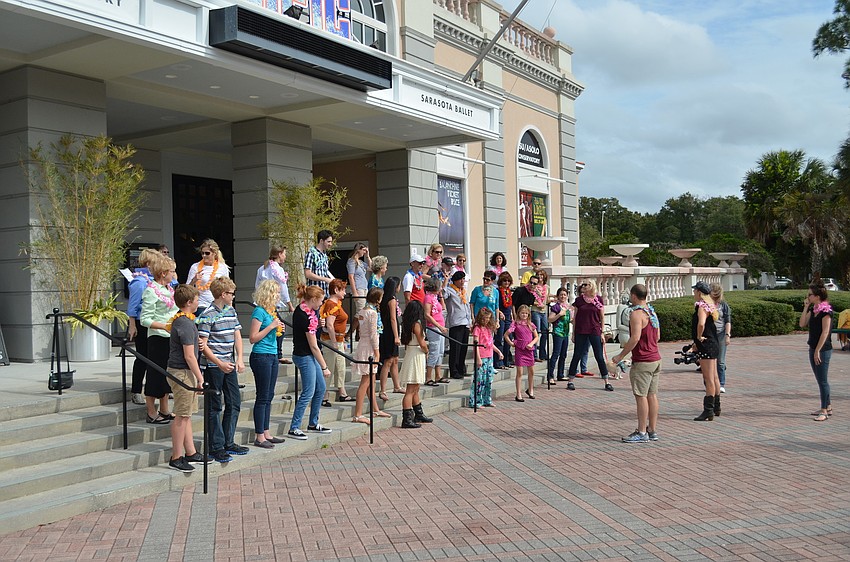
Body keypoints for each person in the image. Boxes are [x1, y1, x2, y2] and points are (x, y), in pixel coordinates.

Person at [197, 277, 247, 461]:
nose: (234, 297)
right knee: (215, 407)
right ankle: (216, 446)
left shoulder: (231, 311)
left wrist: (240, 359)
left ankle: (228, 441)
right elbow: (203, 345)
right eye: (232, 294)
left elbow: (237, 336)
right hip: (214, 366)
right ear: (223, 294)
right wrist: (219, 363)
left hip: (229, 363)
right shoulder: (207, 314)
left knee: (234, 402)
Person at [612, 284, 661, 443]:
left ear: (633, 296)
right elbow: (658, 335)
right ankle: (652, 430)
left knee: (641, 396)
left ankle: (641, 431)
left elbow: (635, 338)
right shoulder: (651, 311)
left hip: (643, 360)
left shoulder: (636, 314)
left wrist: (620, 356)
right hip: (655, 358)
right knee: (652, 395)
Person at [165, 284, 206, 472]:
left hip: (184, 371)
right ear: (189, 302)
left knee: (187, 414)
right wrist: (200, 377)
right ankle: (176, 456)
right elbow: (189, 355)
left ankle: (191, 451)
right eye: (197, 299)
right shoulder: (185, 323)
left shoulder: (185, 321)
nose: (199, 302)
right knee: (181, 415)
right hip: (181, 372)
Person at [288, 284, 333, 440]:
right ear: (313, 299)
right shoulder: (302, 314)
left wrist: (319, 325)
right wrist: (324, 367)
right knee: (308, 391)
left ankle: (313, 423)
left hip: (310, 354)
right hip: (304, 355)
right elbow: (313, 345)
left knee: (320, 388)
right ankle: (294, 427)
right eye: (320, 300)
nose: (321, 304)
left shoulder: (312, 312)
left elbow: (315, 334)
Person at [139, 253, 178, 424]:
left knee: (166, 373)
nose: (174, 275)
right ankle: (150, 411)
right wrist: (163, 326)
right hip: (157, 337)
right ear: (163, 273)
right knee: (155, 373)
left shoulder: (169, 290)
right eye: (172, 272)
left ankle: (164, 409)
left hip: (170, 336)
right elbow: (144, 319)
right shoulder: (151, 291)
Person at [249, 280, 286, 448]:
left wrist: (279, 329)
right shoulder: (259, 311)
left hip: (272, 355)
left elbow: (273, 332)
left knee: (269, 395)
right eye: (276, 293)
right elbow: (253, 338)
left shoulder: (272, 312)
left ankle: (266, 431)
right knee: (262, 396)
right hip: (261, 355)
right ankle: (259, 435)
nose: (278, 296)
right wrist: (271, 326)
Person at [351, 287, 392, 424]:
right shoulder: (372, 313)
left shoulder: (363, 311)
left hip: (363, 344)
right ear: (378, 299)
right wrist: (377, 352)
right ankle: (358, 414)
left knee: (371, 381)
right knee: (365, 382)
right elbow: (373, 334)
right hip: (369, 347)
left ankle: (375, 409)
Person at [566, 280, 612, 391]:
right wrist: (573, 333)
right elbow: (575, 317)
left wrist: (602, 332)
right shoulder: (579, 300)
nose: (584, 286)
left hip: (594, 330)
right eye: (583, 285)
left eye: (586, 284)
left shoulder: (598, 299)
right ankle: (570, 380)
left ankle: (606, 380)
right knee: (577, 354)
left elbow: (601, 317)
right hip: (581, 330)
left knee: (599, 356)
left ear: (592, 286)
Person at [127, 248, 159, 405]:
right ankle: (136, 390)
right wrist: (132, 325)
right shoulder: (139, 282)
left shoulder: (154, 279)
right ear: (148, 263)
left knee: (154, 357)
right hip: (141, 322)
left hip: (154, 321)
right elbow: (132, 307)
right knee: (142, 357)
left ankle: (155, 389)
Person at [255, 245, 294, 364]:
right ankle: (278, 353)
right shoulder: (277, 269)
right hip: (271, 302)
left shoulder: (262, 268)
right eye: (284, 254)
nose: (285, 256)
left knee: (275, 326)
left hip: (263, 301)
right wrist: (290, 304)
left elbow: (257, 285)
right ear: (279, 254)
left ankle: (276, 352)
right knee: (280, 327)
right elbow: (283, 288)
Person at [800, 281, 833, 422]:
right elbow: (802, 324)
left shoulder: (826, 312)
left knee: (823, 381)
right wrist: (806, 308)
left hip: (823, 349)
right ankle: (828, 406)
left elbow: (825, 332)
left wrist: (818, 351)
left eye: (810, 295)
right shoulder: (814, 310)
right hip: (813, 347)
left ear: (818, 296)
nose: (808, 297)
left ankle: (824, 411)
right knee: (820, 380)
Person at [398, 301, 433, 428]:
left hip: (412, 351)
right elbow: (422, 343)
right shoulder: (416, 324)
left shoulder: (408, 323)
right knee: (410, 389)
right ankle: (407, 418)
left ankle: (418, 413)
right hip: (416, 353)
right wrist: (427, 350)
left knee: (415, 387)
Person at [691, 281, 721, 421]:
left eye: (695, 291)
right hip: (713, 343)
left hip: (706, 344)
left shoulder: (702, 307)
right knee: (714, 377)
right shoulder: (711, 305)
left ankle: (708, 410)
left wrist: (698, 336)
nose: (693, 294)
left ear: (699, 292)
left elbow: (701, 323)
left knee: (708, 378)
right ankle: (716, 407)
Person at [320, 279, 353, 405]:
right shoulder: (331, 304)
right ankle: (324, 395)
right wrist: (334, 342)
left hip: (339, 339)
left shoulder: (337, 303)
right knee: (330, 365)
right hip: (331, 340)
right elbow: (329, 324)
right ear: (336, 290)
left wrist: (341, 340)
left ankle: (342, 392)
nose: (345, 292)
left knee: (340, 366)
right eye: (343, 289)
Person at [505, 304, 539, 401]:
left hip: (529, 349)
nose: (524, 315)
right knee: (519, 372)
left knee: (531, 371)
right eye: (522, 313)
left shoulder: (531, 325)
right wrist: (511, 343)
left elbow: (536, 337)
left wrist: (532, 344)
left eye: (526, 313)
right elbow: (506, 334)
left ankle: (530, 389)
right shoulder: (515, 324)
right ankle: (518, 393)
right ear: (518, 313)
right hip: (520, 348)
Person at [378, 276, 404, 400]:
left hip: (387, 330)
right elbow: (393, 319)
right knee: (388, 361)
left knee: (395, 359)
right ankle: (382, 390)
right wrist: (396, 336)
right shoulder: (391, 300)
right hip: (390, 331)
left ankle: (397, 386)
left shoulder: (385, 298)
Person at [471, 308, 503, 408]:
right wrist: (478, 358)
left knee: (489, 379)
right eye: (485, 318)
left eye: (488, 318)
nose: (487, 320)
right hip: (482, 356)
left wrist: (498, 351)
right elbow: (475, 344)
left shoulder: (488, 328)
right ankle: (476, 401)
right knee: (480, 379)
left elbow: (490, 343)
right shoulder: (477, 328)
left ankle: (487, 399)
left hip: (489, 356)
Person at [186, 238, 230, 310]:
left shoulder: (222, 267)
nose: (204, 255)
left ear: (214, 253)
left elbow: (227, 287)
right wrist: (194, 280)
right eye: (202, 253)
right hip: (201, 305)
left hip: (218, 305)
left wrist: (228, 304)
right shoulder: (195, 267)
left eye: (207, 253)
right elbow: (187, 289)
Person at [444, 271, 472, 380]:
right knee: (455, 348)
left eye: (463, 279)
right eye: (460, 279)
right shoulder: (450, 290)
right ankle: (454, 370)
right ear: (455, 280)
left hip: (465, 322)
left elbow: (467, 307)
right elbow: (443, 294)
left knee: (463, 347)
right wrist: (446, 280)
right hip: (456, 323)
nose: (462, 281)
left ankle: (461, 368)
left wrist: (469, 321)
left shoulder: (464, 292)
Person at [423, 277, 448, 386]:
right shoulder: (428, 297)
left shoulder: (435, 297)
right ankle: (428, 377)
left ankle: (438, 375)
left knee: (440, 351)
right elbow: (427, 315)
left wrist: (441, 295)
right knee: (434, 351)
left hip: (440, 326)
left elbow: (443, 308)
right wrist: (438, 326)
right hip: (433, 327)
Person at [547, 287, 573, 384]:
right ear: (558, 296)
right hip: (558, 332)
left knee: (563, 354)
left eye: (565, 295)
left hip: (566, 333)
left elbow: (570, 319)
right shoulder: (556, 307)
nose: (563, 296)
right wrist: (559, 314)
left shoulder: (568, 307)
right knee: (555, 354)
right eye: (561, 294)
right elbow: (550, 319)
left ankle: (560, 374)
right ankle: (550, 376)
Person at [709, 283, 732, 393]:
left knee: (720, 361)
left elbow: (727, 321)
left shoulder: (723, 305)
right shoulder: (706, 305)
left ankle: (721, 383)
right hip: (710, 335)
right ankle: (709, 382)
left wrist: (727, 335)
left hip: (721, 334)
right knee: (709, 360)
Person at [346, 242, 371, 331]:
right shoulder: (351, 261)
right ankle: (350, 333)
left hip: (364, 287)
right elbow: (351, 276)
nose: (364, 252)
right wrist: (355, 292)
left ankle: (358, 333)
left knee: (364, 310)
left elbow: (371, 268)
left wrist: (368, 256)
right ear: (358, 250)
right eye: (363, 250)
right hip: (358, 288)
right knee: (360, 311)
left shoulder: (361, 262)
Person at [304, 229, 335, 297]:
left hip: (324, 292)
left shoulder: (324, 255)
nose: (330, 244)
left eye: (331, 242)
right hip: (314, 293)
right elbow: (308, 274)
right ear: (321, 241)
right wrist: (325, 279)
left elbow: (325, 272)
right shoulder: (311, 253)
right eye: (328, 242)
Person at [495, 272, 514, 370]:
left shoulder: (509, 292)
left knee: (509, 339)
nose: (506, 282)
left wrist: (512, 316)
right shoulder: (498, 291)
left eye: (508, 281)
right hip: (501, 316)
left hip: (508, 318)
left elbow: (511, 305)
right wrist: (499, 313)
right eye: (504, 281)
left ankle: (507, 360)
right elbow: (496, 305)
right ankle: (499, 362)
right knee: (499, 338)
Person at [530, 270, 550, 361]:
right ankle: (534, 355)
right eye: (538, 275)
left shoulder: (547, 287)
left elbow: (547, 299)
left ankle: (542, 352)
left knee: (545, 332)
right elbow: (530, 299)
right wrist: (537, 303)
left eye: (542, 275)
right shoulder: (534, 287)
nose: (540, 277)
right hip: (535, 310)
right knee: (536, 332)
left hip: (544, 311)